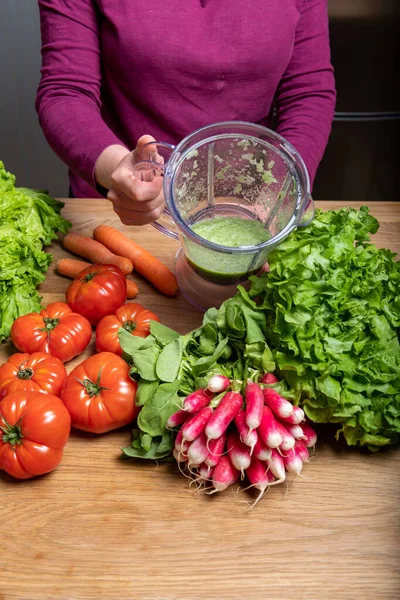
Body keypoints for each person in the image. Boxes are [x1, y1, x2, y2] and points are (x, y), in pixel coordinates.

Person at [36, 0, 336, 226]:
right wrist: (121, 171)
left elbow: (307, 92)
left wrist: (279, 195)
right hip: (126, 208)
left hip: (254, 209)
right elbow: (65, 91)